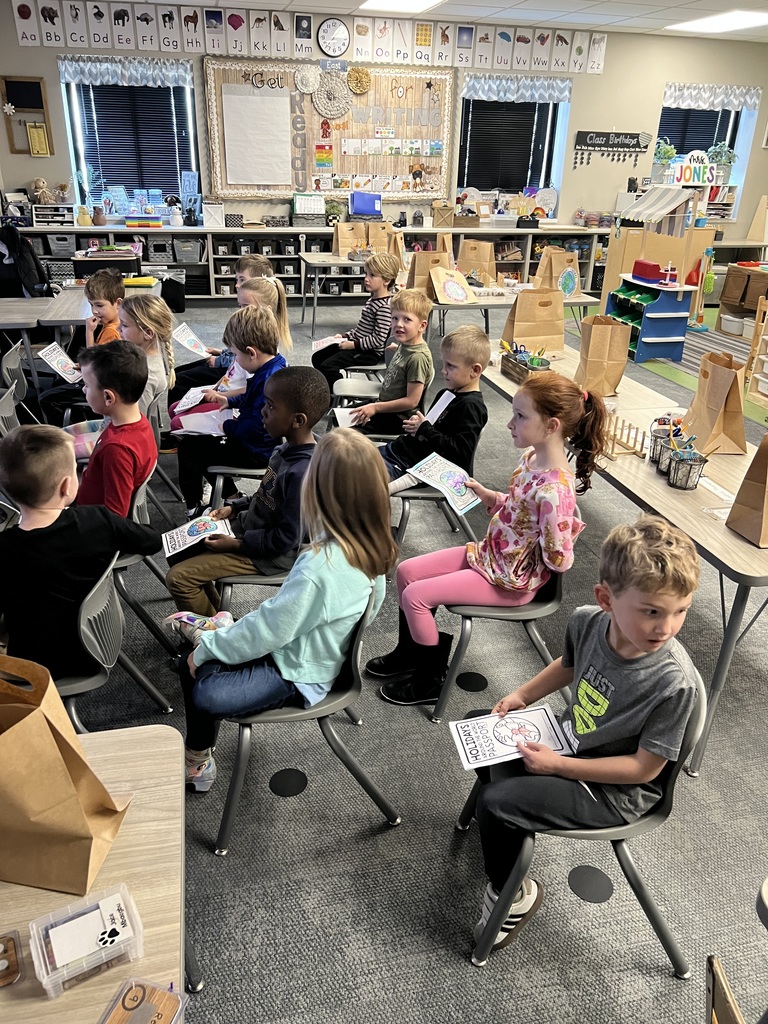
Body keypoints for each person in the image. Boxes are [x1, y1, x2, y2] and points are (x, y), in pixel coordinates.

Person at [470, 516, 702, 952]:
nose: (666, 627)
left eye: (680, 610)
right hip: (571, 743)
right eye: (652, 611)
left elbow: (642, 769)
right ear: (606, 600)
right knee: (486, 726)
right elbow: (568, 666)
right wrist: (522, 694)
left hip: (612, 793)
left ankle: (513, 894)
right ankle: (506, 836)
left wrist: (557, 766)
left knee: (496, 805)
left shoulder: (675, 683)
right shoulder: (587, 621)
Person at [368, 371, 608, 707]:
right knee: (407, 572)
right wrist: (491, 496)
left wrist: (567, 530)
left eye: (521, 416)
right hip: (491, 556)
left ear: (552, 426)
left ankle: (429, 679)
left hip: (512, 581)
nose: (511, 423)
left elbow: (559, 560)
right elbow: (518, 508)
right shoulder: (531, 459)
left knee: (417, 597)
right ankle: (409, 655)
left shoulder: (556, 491)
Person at [180, 428, 399, 791]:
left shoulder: (321, 565)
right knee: (205, 658)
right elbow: (362, 610)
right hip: (309, 653)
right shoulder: (372, 544)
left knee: (200, 684)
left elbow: (273, 628)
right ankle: (220, 630)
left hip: (298, 671)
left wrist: (210, 649)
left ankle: (197, 759)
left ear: (319, 493)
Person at [164, 367, 330, 616]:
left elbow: (286, 539)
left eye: (271, 406)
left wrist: (236, 545)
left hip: (272, 555)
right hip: (250, 528)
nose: (262, 411)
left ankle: (214, 639)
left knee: (179, 579)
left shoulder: (302, 472)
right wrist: (236, 506)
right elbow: (267, 495)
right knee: (179, 553)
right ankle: (217, 620)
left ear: (298, 420)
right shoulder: (284, 450)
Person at [0, 424, 160, 679]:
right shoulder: (97, 521)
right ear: (67, 486)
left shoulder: (6, 549)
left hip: (35, 668)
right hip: (97, 642)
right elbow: (151, 541)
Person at [175, 305, 287, 519]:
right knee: (199, 444)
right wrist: (229, 400)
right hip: (258, 444)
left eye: (235, 355)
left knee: (191, 447)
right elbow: (250, 397)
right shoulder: (272, 367)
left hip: (256, 451)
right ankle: (232, 496)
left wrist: (227, 427)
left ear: (251, 353)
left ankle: (195, 509)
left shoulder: (267, 379)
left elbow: (256, 425)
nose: (234, 359)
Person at [166, 277, 292, 434]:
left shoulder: (261, 358)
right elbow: (231, 372)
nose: (240, 310)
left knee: (178, 421)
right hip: (225, 393)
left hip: (232, 407)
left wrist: (221, 396)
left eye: (245, 306)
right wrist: (216, 388)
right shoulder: (248, 347)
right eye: (240, 306)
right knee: (175, 408)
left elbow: (249, 395)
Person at [379, 325, 490, 493]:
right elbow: (432, 428)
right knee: (347, 460)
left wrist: (425, 429)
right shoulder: (446, 393)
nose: (443, 371)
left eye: (451, 366)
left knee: (358, 481)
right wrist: (419, 426)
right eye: (444, 363)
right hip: (402, 452)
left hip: (416, 468)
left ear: (475, 370)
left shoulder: (472, 407)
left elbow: (460, 452)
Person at [167, 254, 274, 405]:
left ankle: (180, 417)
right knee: (177, 372)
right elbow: (239, 350)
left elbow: (248, 361)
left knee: (179, 382)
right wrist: (222, 353)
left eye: (242, 280)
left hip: (230, 372)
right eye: (237, 280)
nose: (237, 285)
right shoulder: (249, 316)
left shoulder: (261, 325)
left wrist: (219, 361)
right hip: (228, 366)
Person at [76, 341, 156, 517]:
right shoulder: (138, 422)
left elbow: (115, 515)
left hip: (88, 521)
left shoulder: (117, 449)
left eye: (87, 385)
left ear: (108, 397)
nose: (83, 389)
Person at [346, 288, 434, 436]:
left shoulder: (417, 358)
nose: (398, 324)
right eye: (394, 318)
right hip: (385, 406)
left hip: (398, 418)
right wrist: (398, 348)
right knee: (342, 416)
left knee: (346, 432)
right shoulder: (406, 344)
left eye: (407, 319)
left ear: (422, 326)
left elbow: (412, 401)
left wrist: (376, 408)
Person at [311, 253, 400, 388]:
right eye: (366, 274)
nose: (366, 279)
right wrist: (344, 336)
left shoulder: (384, 307)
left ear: (386, 280)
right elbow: (361, 329)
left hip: (369, 353)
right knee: (318, 357)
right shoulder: (373, 301)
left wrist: (353, 345)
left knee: (328, 366)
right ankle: (327, 389)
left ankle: (337, 391)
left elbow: (378, 339)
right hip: (359, 345)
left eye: (372, 276)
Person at [118, 293, 176, 416]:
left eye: (124, 325)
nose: (118, 328)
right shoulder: (150, 353)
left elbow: (133, 422)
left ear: (148, 333)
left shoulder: (143, 378)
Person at [83, 269, 125, 347]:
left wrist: (89, 332)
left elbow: (92, 358)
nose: (94, 311)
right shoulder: (122, 324)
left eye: (99, 305)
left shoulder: (111, 332)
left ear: (118, 303)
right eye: (91, 305)